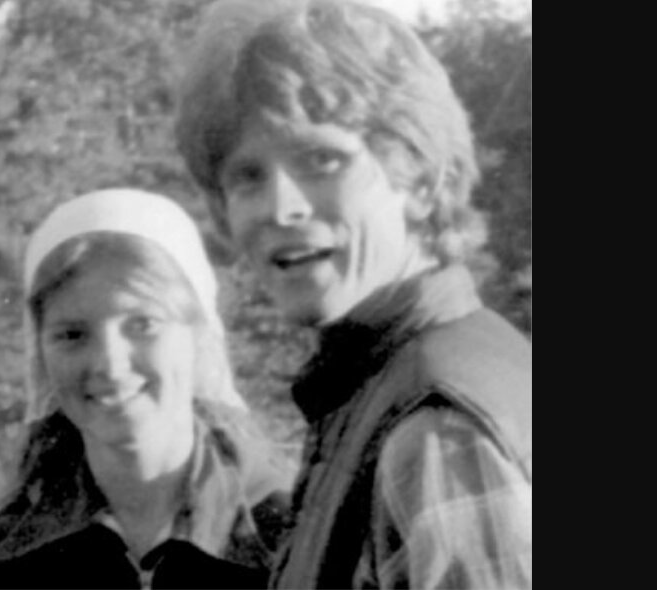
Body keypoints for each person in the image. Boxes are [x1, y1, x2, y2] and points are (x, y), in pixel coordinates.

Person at [174, 1, 532, 588]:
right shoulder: (381, 385)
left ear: (421, 179)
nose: (280, 207)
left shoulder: (439, 431)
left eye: (322, 160)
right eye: (248, 175)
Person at [0, 189, 296, 590]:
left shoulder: (287, 537)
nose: (110, 366)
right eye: (73, 334)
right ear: (40, 354)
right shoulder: (0, 562)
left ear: (199, 335)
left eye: (143, 325)